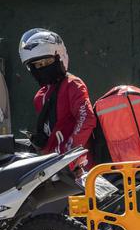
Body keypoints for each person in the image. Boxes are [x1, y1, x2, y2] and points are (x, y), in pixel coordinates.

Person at [18, 29, 96, 173]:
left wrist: (70, 154)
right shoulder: (40, 96)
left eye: (47, 61)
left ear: (59, 57)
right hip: (53, 168)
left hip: (77, 169)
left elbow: (87, 119)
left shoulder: (73, 84)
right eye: (38, 65)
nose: (43, 67)